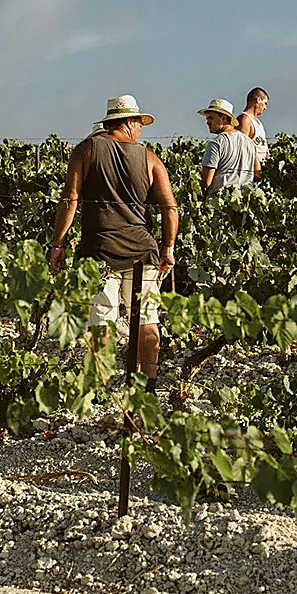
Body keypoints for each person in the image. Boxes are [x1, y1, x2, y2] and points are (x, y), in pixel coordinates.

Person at [48, 96, 179, 390]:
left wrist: (58, 244)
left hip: (99, 251)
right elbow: (170, 208)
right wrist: (168, 249)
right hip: (142, 251)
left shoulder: (86, 149)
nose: (141, 131)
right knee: (147, 318)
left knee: (102, 319)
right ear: (129, 122)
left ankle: (101, 383)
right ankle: (148, 382)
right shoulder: (150, 159)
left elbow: (70, 199)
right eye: (140, 124)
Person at [199, 99, 260, 196]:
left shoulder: (216, 143)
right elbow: (257, 172)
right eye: (207, 119)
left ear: (223, 118)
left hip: (219, 200)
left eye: (211, 118)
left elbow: (206, 182)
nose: (207, 122)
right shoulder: (250, 143)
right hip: (244, 200)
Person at [236, 87, 269, 165]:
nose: (265, 108)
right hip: (251, 167)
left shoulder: (258, 123)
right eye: (265, 103)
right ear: (258, 100)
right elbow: (242, 148)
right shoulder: (245, 119)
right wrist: (256, 165)